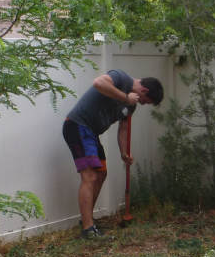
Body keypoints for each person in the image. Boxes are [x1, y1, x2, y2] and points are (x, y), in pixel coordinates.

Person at [64, 70, 164, 238]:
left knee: (101, 173)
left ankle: (87, 220)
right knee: (89, 177)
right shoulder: (120, 78)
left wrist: (124, 153)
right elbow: (98, 83)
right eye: (146, 102)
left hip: (90, 133)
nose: (143, 104)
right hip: (77, 126)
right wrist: (126, 98)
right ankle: (88, 230)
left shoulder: (131, 105)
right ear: (144, 91)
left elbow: (123, 128)